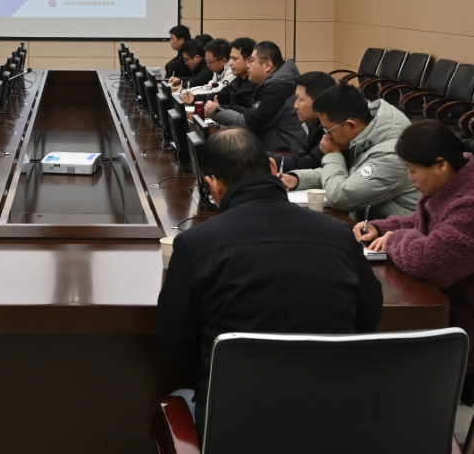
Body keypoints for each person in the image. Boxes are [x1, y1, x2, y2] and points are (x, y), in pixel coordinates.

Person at [158, 127, 382, 444]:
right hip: (332, 424)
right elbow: (368, 317)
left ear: (213, 184)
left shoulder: (195, 244)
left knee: (179, 395)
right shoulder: (338, 234)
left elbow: (177, 344)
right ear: (274, 168)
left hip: (235, 429)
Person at [356, 120, 474, 373]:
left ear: (441, 166)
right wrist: (380, 228)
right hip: (462, 314)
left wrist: (392, 239)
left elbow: (430, 264)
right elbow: (424, 223)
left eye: (412, 169)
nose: (410, 177)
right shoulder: (456, 187)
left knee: (380, 354)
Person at [284, 84, 419, 219]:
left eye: (328, 130)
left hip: (394, 229)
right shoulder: (367, 132)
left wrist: (333, 155)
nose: (326, 137)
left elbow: (340, 198)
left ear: (351, 125)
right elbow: (347, 174)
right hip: (366, 223)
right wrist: (298, 179)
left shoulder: (392, 155)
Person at [209, 41, 306, 153]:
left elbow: (250, 124)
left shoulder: (278, 88)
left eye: (251, 61)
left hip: (283, 154)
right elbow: (252, 115)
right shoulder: (276, 82)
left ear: (268, 65)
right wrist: (222, 109)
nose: (248, 65)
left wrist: (216, 112)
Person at [268, 71, 336, 174]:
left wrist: (263, 156)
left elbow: (310, 164)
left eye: (300, 99)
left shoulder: (333, 127)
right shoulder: (315, 123)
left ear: (320, 100)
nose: (295, 105)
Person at [179, 38, 234, 104]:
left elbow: (217, 92)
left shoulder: (232, 71)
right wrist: (187, 92)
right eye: (207, 61)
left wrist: (193, 97)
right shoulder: (218, 69)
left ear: (224, 61)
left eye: (210, 62)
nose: (207, 65)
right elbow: (208, 87)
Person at [220, 36, 256, 108]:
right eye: (231, 58)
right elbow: (220, 96)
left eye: (235, 59)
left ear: (249, 60)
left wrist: (218, 108)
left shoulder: (257, 85)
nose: (230, 63)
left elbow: (249, 112)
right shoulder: (236, 82)